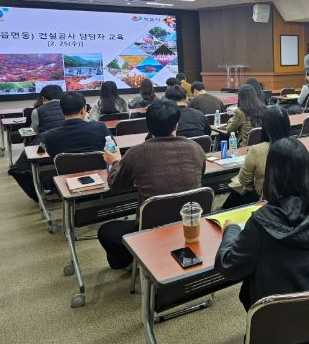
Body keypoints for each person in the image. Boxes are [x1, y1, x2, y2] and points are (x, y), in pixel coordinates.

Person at [215, 137, 309, 311]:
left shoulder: (261, 221)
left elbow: (229, 265)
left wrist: (231, 229)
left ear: (271, 173)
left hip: (285, 318)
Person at [97, 99, 206, 269]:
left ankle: (132, 260)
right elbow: (201, 172)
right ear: (176, 124)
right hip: (189, 224)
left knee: (105, 231)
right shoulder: (195, 148)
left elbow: (115, 184)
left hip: (150, 230)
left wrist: (115, 161)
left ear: (147, 125)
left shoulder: (136, 153)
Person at [221, 106, 291, 209]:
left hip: (265, 199)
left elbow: (244, 180)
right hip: (289, 199)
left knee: (238, 193)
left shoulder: (257, 150)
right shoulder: (297, 146)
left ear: (265, 126)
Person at [43, 91, 111, 157]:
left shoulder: (50, 137)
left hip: (67, 165)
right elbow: (112, 147)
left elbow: (52, 156)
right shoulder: (100, 128)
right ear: (83, 110)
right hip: (97, 164)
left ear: (62, 111)